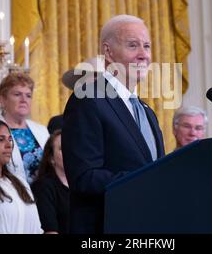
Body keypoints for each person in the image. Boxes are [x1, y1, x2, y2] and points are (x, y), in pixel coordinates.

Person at [62, 14, 165, 234]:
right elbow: (84, 177)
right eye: (133, 45)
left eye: (146, 46)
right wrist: (148, 181)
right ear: (108, 52)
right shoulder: (88, 98)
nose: (143, 55)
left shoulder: (147, 112)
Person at [0, 73, 49, 184]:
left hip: (43, 197)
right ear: (2, 99)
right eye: (17, 94)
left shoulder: (42, 130)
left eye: (28, 95)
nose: (24, 99)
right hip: (9, 196)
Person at [31, 115, 70, 234]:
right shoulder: (43, 187)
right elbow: (50, 230)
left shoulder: (83, 183)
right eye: (62, 148)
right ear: (51, 158)